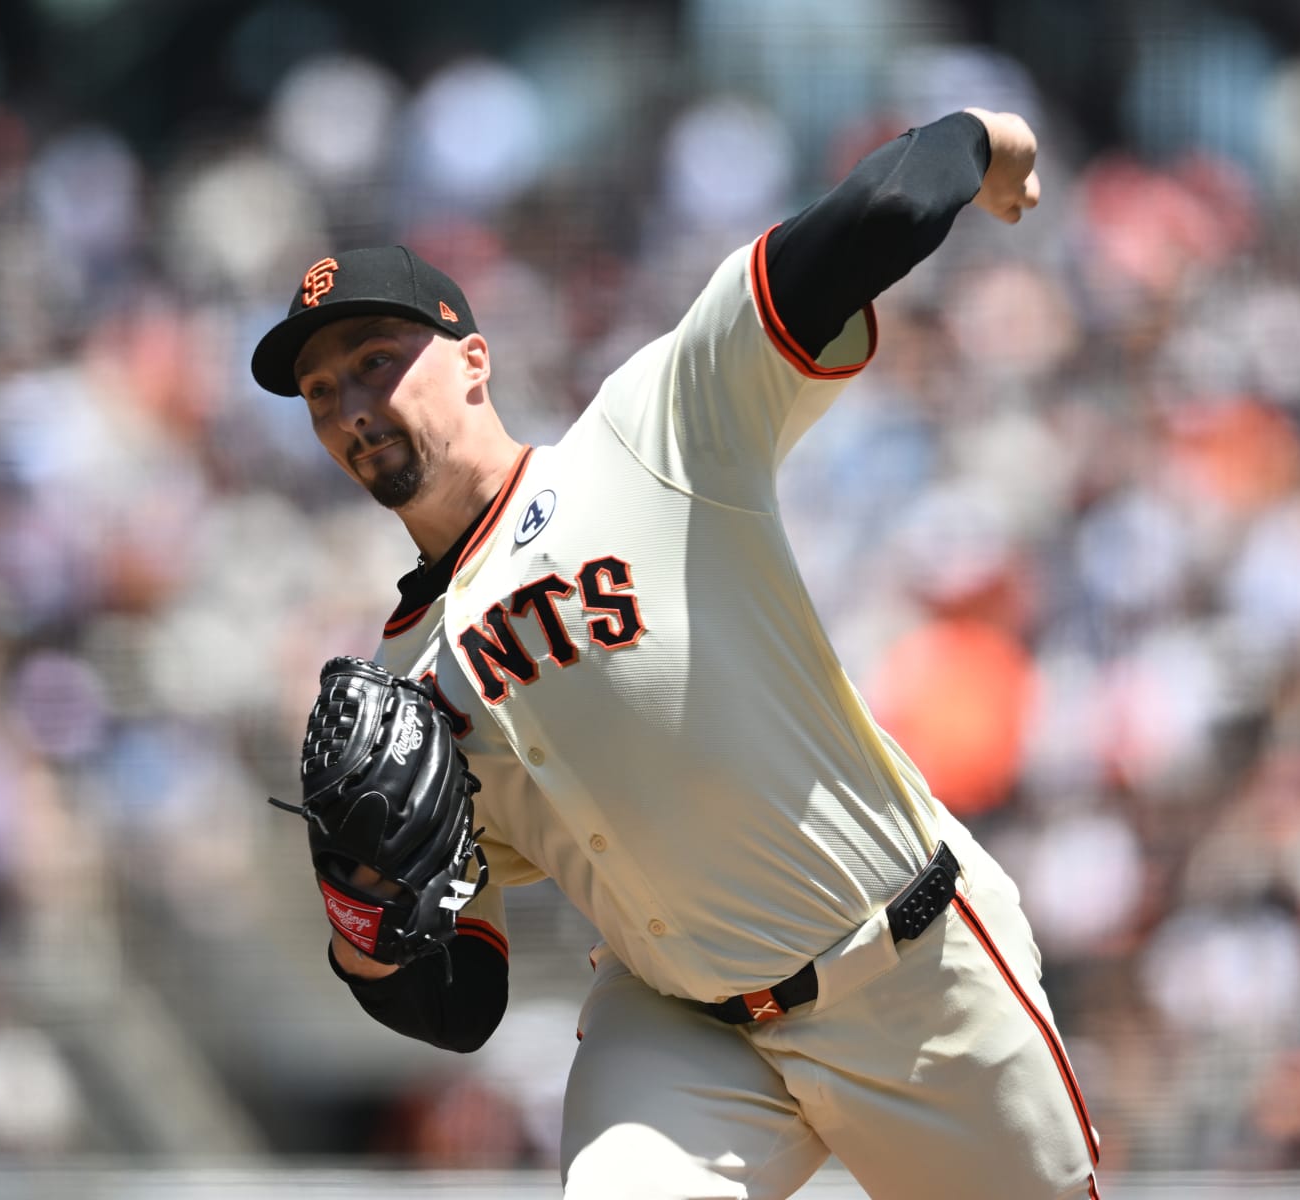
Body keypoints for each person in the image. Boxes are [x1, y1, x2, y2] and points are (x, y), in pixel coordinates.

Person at [250, 106, 1100, 1199]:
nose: (352, 405)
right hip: (683, 1034)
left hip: (908, 967)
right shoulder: (406, 684)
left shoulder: (648, 437)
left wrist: (988, 136)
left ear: (473, 361)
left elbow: (879, 210)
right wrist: (360, 910)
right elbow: (461, 1005)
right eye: (323, 393)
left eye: (375, 361)